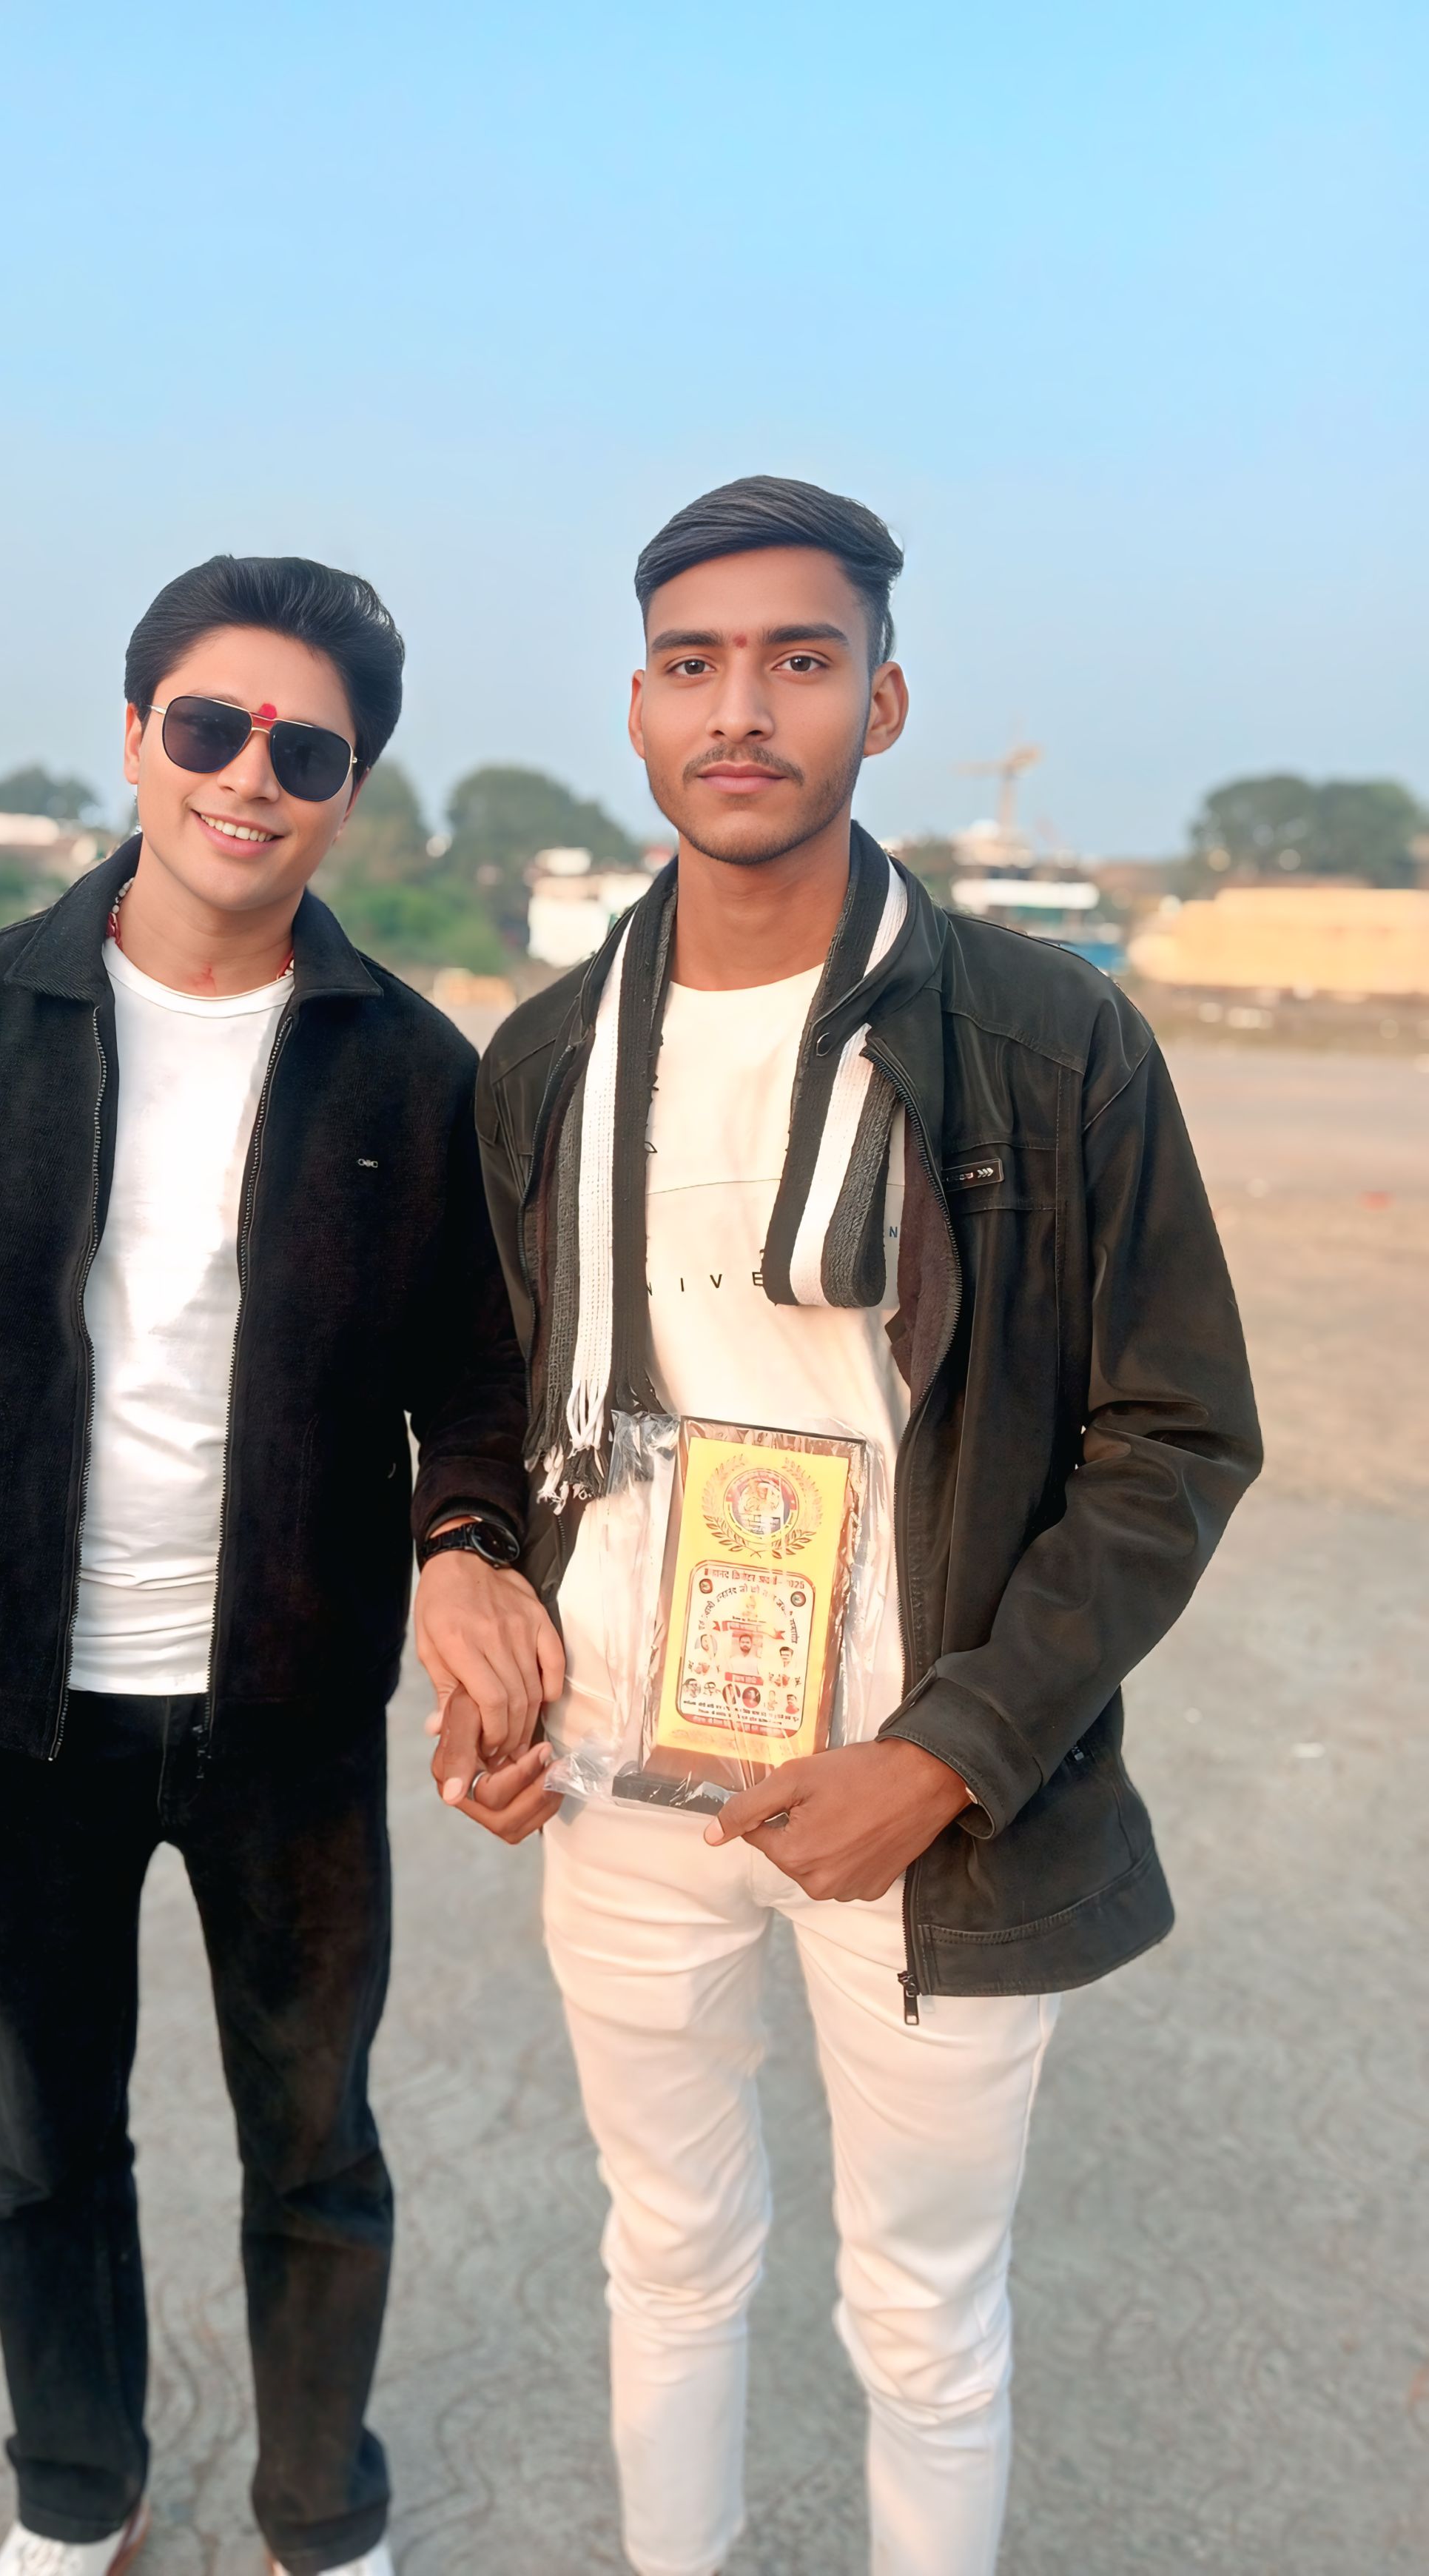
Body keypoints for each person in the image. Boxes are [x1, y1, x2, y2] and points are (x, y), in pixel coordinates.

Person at [440, 477, 1260, 2576]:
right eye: (693, 664)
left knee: (923, 2312)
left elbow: (1172, 1435)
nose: (743, 709)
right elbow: (486, 1413)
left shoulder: (1046, 1040)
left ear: (881, 703)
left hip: (924, 1798)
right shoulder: (544, 1061)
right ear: (638, 707)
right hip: (619, 1779)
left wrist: (951, 1753)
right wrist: (476, 1610)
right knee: (665, 2254)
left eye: (799, 661)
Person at [0, 554, 559, 2576]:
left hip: (289, 1716)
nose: (249, 779)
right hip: (23, 1704)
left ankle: (320, 2509)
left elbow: (478, 1383)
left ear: (350, 792)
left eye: (307, 752)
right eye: (210, 727)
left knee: (316, 2146)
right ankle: (79, 2494)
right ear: (136, 736)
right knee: (50, 2148)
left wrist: (468, 1547)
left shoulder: (409, 1064)